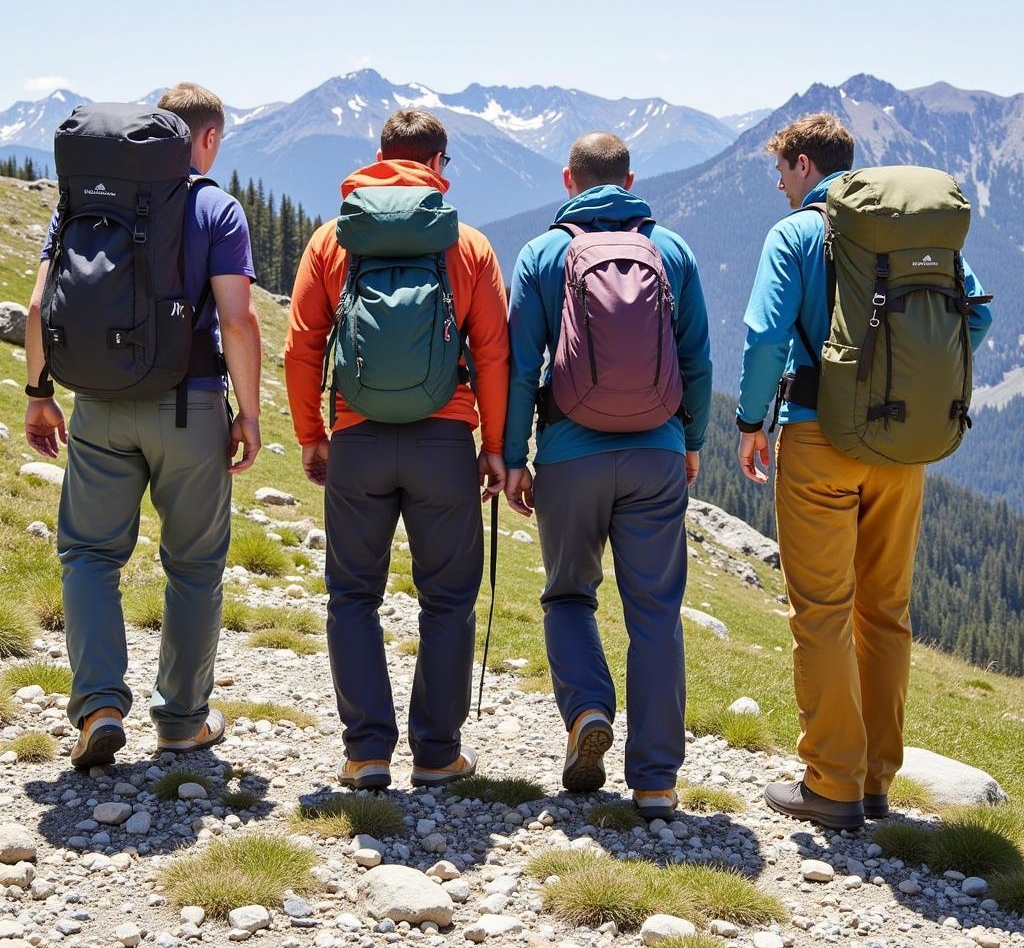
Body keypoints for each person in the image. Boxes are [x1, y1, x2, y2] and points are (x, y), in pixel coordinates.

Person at [736, 113, 993, 829]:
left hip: (820, 440)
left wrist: (750, 422)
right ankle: (878, 779)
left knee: (822, 613)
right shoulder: (910, 230)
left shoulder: (797, 233)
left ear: (807, 167)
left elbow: (763, 334)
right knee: (886, 613)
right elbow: (975, 319)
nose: (779, 185)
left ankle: (832, 785)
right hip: (903, 448)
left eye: (782, 171)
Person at [25, 82, 262, 767]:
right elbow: (240, 319)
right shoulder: (214, 206)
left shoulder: (84, 201)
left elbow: (41, 302)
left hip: (98, 404)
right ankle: (182, 720)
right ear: (206, 140)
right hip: (188, 404)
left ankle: (98, 704)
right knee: (193, 565)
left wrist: (39, 393)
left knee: (91, 556)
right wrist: (246, 412)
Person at [284, 109, 509, 790]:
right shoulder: (465, 244)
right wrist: (495, 446)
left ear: (378, 157)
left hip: (357, 439)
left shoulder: (333, 239)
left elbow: (301, 347)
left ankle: (367, 753)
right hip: (445, 442)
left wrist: (311, 436)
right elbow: (494, 353)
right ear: (438, 166)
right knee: (447, 600)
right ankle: (437, 754)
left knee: (352, 596)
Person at [503, 132, 712, 820]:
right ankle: (654, 781)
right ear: (630, 180)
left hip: (569, 455)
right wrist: (690, 440)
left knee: (568, 597)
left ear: (569, 180)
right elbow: (698, 360)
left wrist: (512, 457)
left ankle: (588, 710)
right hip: (655, 453)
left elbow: (519, 366)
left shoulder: (541, 252)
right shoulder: (671, 249)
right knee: (655, 612)